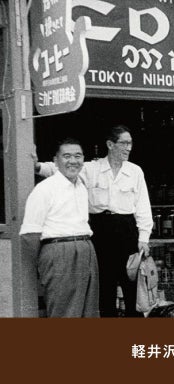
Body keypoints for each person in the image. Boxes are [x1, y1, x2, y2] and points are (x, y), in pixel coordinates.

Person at [35, 125, 153, 317]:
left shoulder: (135, 171)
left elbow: (143, 206)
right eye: (124, 143)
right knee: (104, 286)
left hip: (127, 231)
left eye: (130, 143)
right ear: (110, 144)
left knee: (132, 284)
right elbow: (61, 169)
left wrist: (144, 238)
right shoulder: (92, 168)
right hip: (101, 231)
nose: (128, 148)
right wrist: (37, 166)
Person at [20, 138, 99, 317]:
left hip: (86, 250)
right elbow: (30, 234)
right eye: (67, 156)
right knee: (64, 313)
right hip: (58, 252)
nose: (73, 161)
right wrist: (46, 260)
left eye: (78, 156)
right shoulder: (45, 189)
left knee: (89, 312)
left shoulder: (81, 187)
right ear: (56, 161)